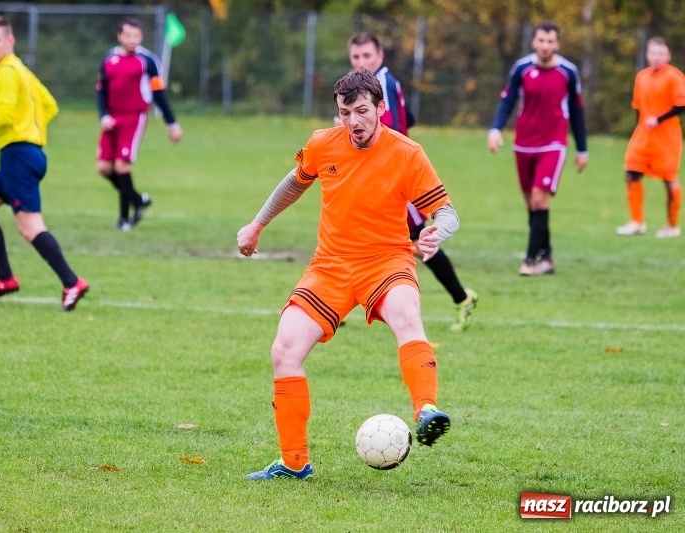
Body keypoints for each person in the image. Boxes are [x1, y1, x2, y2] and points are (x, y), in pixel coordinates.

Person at [237, 69, 457, 480]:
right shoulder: (324, 143)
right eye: (344, 112)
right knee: (284, 350)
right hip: (331, 267)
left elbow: (447, 213)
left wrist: (433, 233)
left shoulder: (407, 153)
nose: (353, 122)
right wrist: (257, 224)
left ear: (381, 108)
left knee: (408, 318)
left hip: (387, 263)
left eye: (361, 111)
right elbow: (294, 183)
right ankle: (294, 463)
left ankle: (426, 408)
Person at [333, 32, 477, 331]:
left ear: (380, 56)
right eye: (356, 57)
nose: (362, 62)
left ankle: (462, 298)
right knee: (367, 233)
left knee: (410, 241)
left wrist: (349, 129)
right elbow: (408, 116)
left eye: (367, 56)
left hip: (396, 181)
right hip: (376, 180)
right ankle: (339, 303)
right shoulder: (376, 85)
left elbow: (395, 127)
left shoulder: (384, 84)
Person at [0, 15, 88, 311]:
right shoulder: (23, 71)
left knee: (29, 227)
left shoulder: (6, 72)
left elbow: (3, 115)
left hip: (18, 155)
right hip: (28, 155)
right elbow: (50, 105)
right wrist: (33, 129)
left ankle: (71, 282)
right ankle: (5, 278)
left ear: (10, 41)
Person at [488, 21, 588, 275]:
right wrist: (496, 128)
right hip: (523, 144)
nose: (545, 46)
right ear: (534, 42)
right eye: (541, 41)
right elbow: (507, 101)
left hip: (553, 144)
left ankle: (530, 261)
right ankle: (547, 257)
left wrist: (582, 149)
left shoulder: (568, 72)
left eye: (550, 41)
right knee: (532, 204)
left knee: (539, 197)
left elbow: (577, 112)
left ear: (557, 44)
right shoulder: (521, 69)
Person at [96, 17, 183, 231]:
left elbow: (159, 94)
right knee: (104, 168)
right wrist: (103, 115)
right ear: (119, 36)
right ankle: (138, 200)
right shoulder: (108, 59)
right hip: (112, 119)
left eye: (136, 36)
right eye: (128, 35)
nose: (132, 40)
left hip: (134, 117)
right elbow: (101, 90)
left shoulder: (148, 61)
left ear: (141, 37)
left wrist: (171, 123)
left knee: (121, 166)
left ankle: (124, 218)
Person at [616, 37, 685, 239]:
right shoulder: (642, 77)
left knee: (669, 179)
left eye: (661, 54)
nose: (657, 57)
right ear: (647, 55)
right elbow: (637, 107)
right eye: (653, 53)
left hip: (666, 138)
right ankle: (636, 222)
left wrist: (659, 118)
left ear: (668, 56)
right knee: (631, 172)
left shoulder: (674, 77)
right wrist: (638, 128)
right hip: (644, 136)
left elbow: (681, 104)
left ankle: (671, 226)